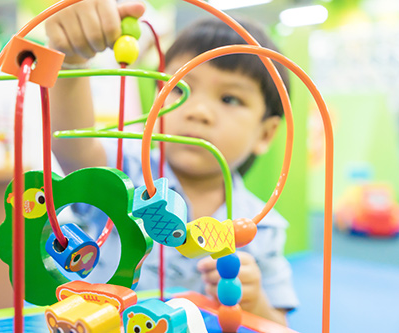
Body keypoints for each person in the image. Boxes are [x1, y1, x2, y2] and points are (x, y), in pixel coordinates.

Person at [45, 0, 298, 326]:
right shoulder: (126, 173)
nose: (197, 111)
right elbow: (73, 146)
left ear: (266, 133)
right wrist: (73, 60)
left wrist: (254, 301)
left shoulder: (263, 226)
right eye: (179, 89)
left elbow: (277, 324)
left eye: (229, 98)